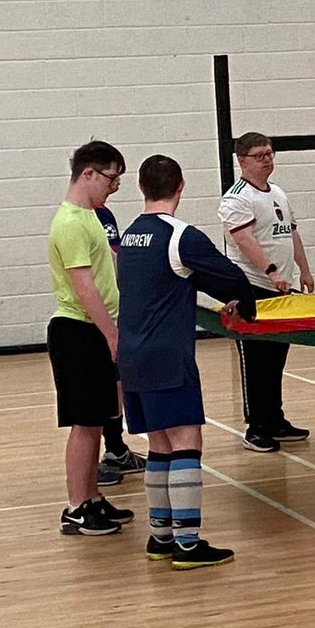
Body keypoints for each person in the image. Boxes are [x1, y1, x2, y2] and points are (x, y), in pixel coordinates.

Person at [118, 155, 257, 569]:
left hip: (131, 353)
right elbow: (230, 276)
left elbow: (186, 278)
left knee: (159, 443)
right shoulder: (180, 235)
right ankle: (188, 543)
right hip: (167, 353)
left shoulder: (129, 236)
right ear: (181, 186)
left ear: (142, 187)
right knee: (186, 441)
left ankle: (161, 537)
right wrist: (246, 305)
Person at [46, 141, 136, 536]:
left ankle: (93, 497)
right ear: (88, 174)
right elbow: (85, 288)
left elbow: (109, 270)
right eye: (111, 179)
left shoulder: (91, 218)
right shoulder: (69, 223)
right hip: (79, 331)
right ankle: (76, 506)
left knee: (97, 419)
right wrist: (111, 333)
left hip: (93, 330)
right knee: (84, 424)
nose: (113, 188)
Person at [219, 132, 315, 452]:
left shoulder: (278, 193)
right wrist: (271, 271)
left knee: (276, 358)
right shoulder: (236, 198)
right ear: (242, 160)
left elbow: (291, 234)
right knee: (256, 359)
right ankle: (255, 426)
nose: (267, 160)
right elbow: (245, 241)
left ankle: (275, 418)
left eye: (270, 153)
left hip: (282, 290)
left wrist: (304, 269)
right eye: (259, 155)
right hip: (253, 289)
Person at [94, 194, 147, 485]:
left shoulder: (104, 214)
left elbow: (116, 258)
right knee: (105, 387)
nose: (115, 186)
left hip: (116, 309)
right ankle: (105, 457)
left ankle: (115, 449)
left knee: (117, 383)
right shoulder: (80, 218)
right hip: (95, 316)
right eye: (110, 177)